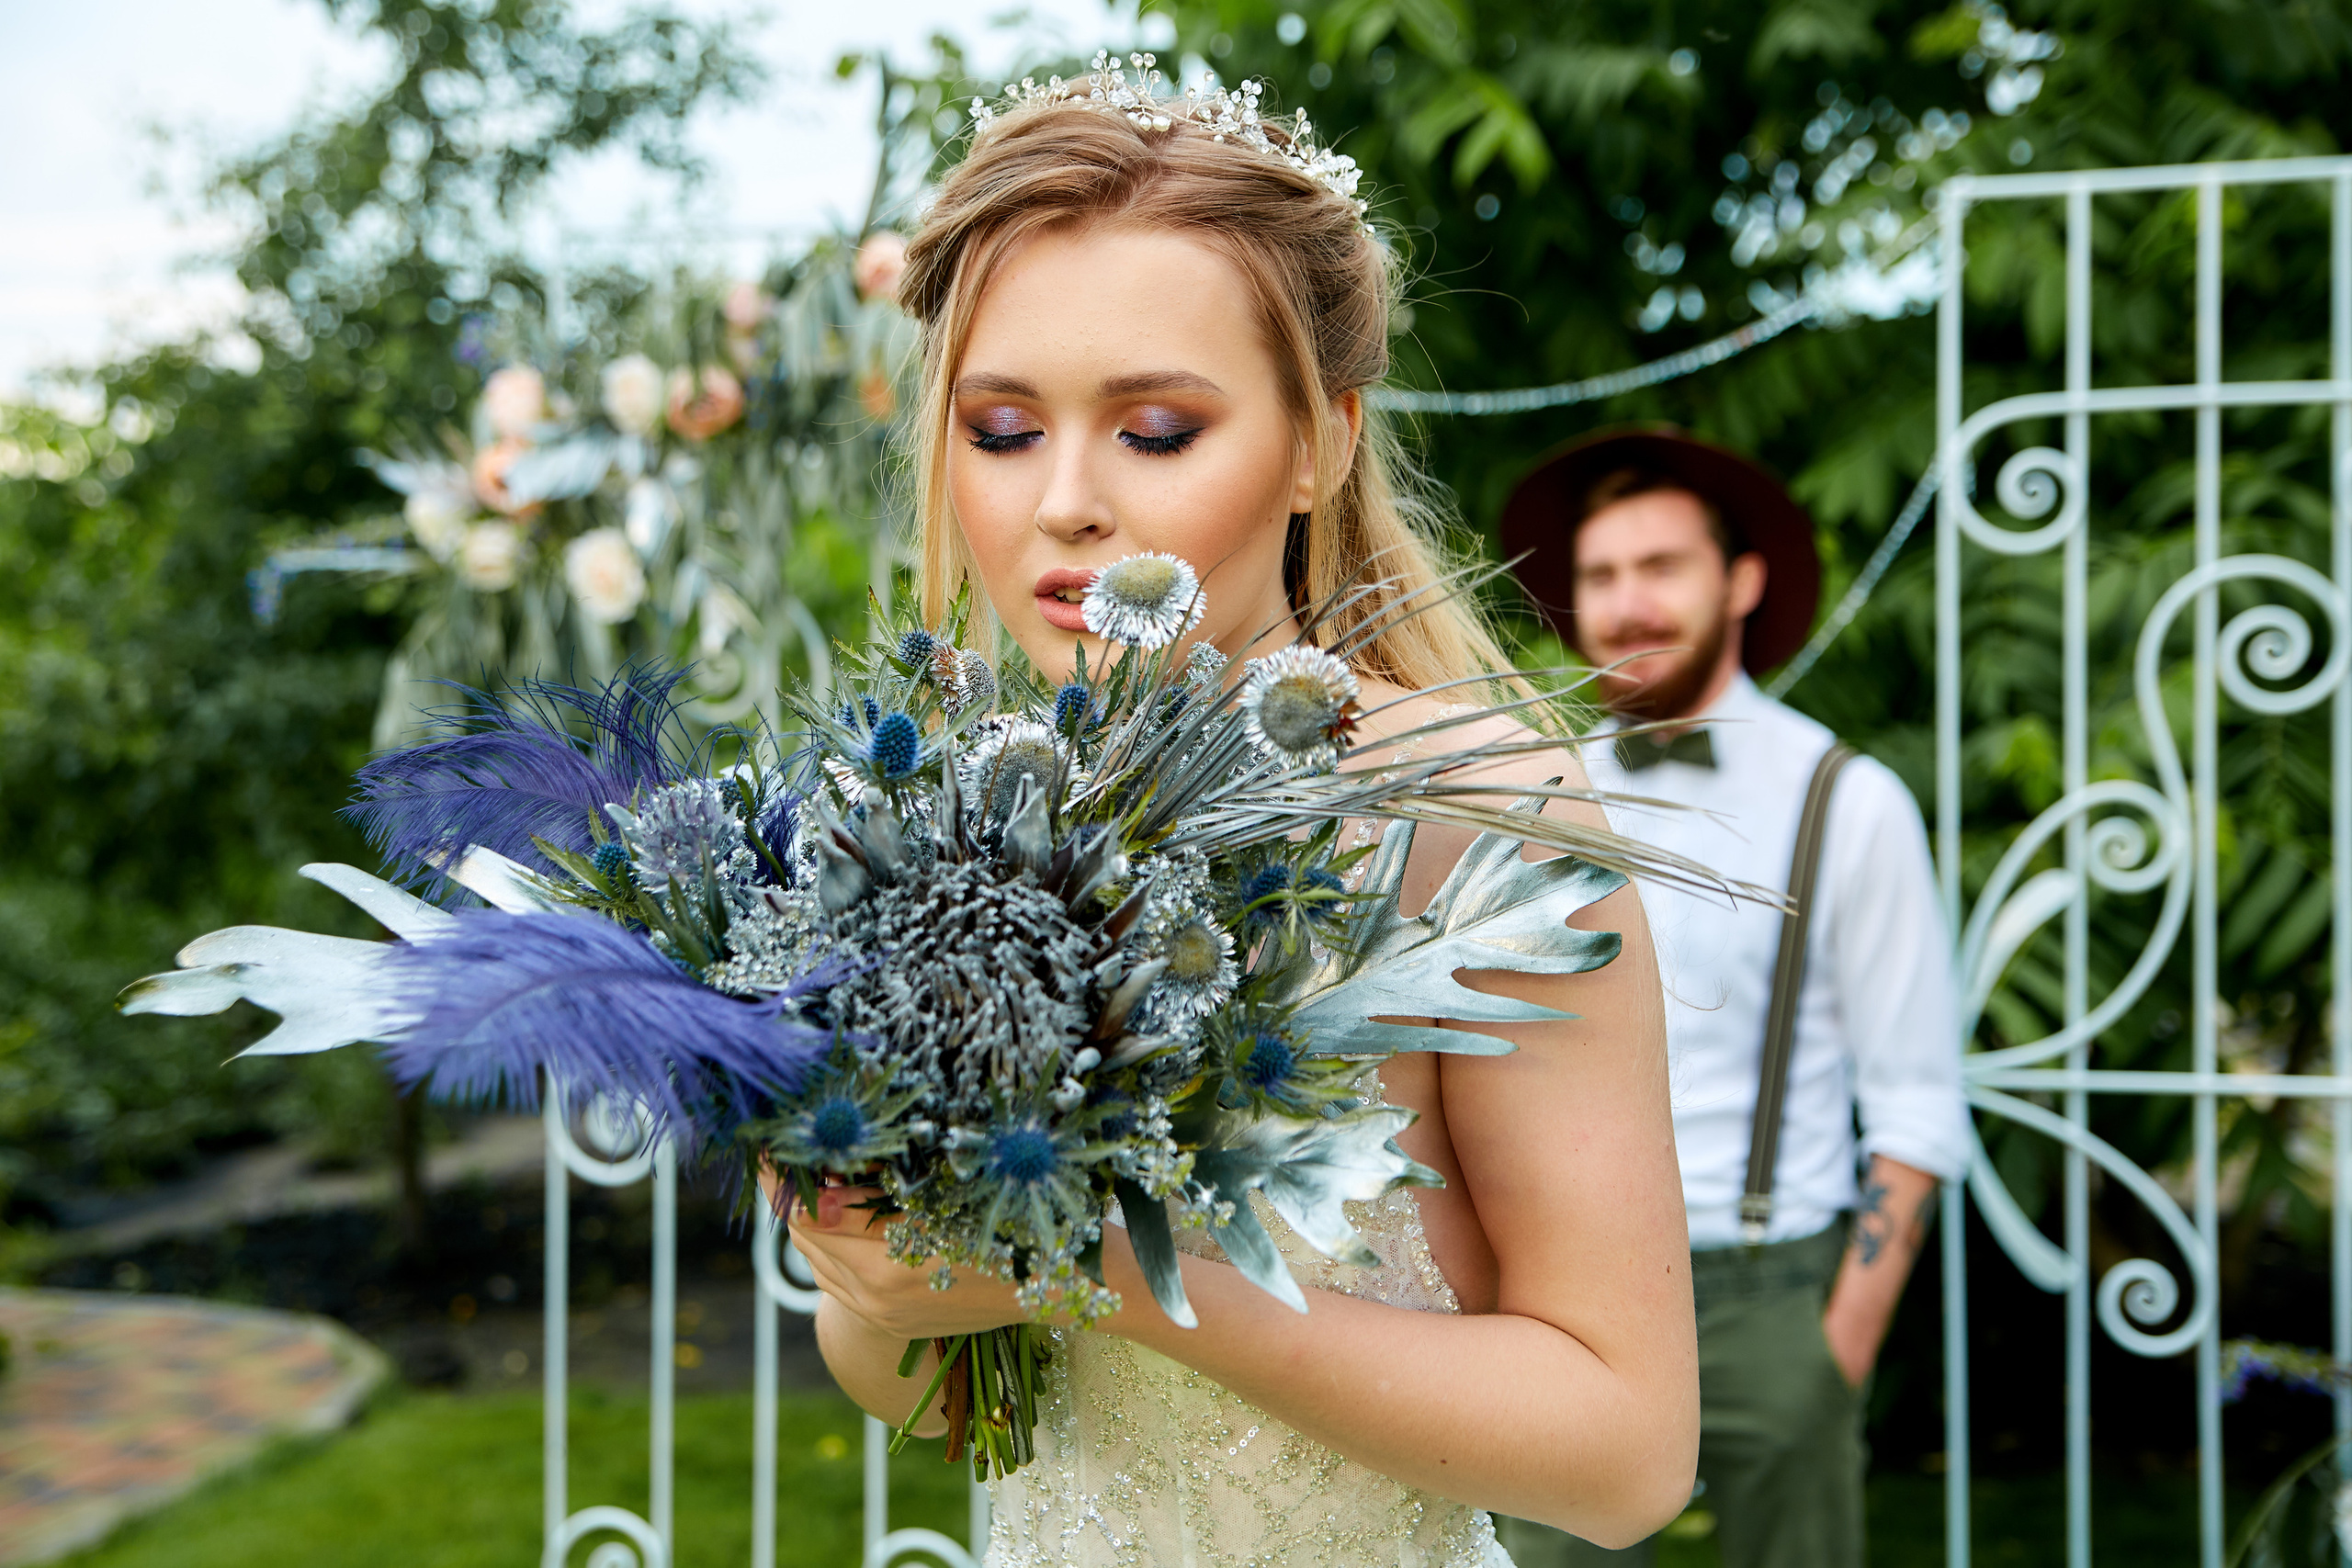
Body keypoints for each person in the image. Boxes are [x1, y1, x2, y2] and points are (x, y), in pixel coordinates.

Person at [782, 64, 1702, 1568]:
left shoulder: (1469, 807)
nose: (1065, 500)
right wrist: (875, 1280)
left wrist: (1098, 1268)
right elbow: (969, 1410)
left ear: (1319, 441)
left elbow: (1626, 1450)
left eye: (1153, 428)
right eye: (1004, 428)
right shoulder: (947, 817)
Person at [1496, 427, 1970, 1567]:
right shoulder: (1536, 792)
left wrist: (1831, 1356)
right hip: (1561, 1288)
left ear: (1740, 582)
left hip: (1770, 1292)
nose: (1626, 605)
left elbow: (1916, 1104)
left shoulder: (1843, 800)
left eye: (1661, 569)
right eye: (1601, 577)